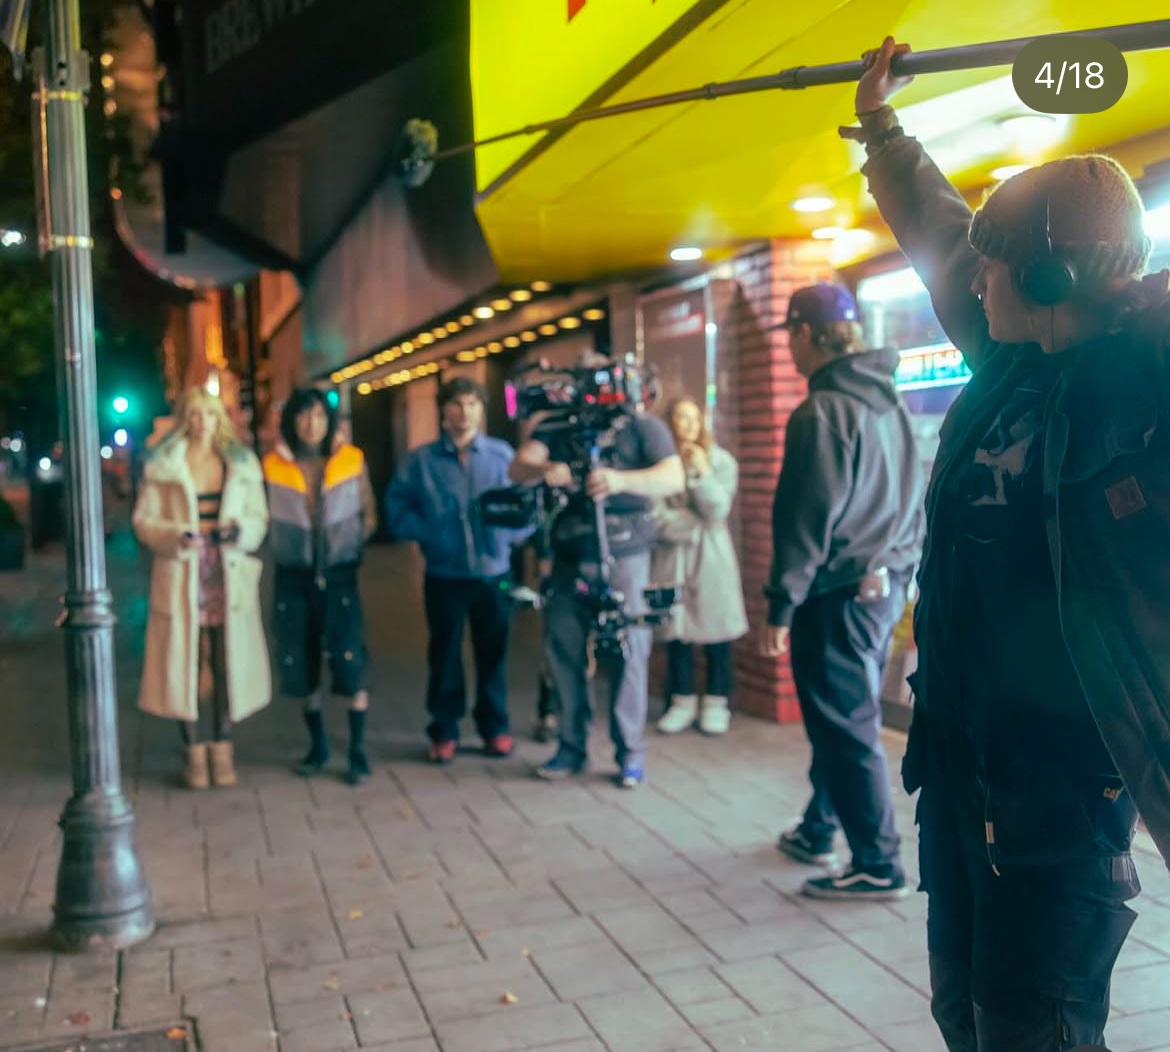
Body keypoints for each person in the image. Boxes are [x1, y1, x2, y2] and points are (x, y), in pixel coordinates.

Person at [844, 36, 1170, 1052]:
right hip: (957, 766)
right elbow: (940, 229)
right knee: (967, 1017)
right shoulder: (1002, 362)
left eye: (996, 265)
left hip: (1067, 788)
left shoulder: (1143, 398)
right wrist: (887, 132)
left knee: (1039, 1031)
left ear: (1049, 269)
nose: (972, 280)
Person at [759, 282, 925, 899]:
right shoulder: (889, 403)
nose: (790, 352)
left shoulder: (822, 411)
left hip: (836, 590)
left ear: (804, 334)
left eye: (790, 338)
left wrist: (781, 602)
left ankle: (877, 863)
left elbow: (804, 518)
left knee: (845, 722)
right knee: (843, 714)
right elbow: (914, 499)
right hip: (881, 584)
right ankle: (818, 826)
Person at [509, 351, 686, 788]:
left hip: (627, 556)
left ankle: (630, 753)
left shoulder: (642, 426)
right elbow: (519, 464)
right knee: (564, 651)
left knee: (630, 652)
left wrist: (621, 480)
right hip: (569, 557)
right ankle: (571, 746)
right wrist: (547, 468)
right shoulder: (557, 426)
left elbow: (673, 477)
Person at [133, 387, 271, 789]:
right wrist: (177, 536)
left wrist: (239, 532)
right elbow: (144, 522)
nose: (200, 422)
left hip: (226, 574)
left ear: (218, 419)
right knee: (184, 661)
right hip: (183, 572)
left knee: (227, 659)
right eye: (192, 414)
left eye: (207, 415)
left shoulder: (240, 464)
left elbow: (258, 518)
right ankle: (193, 751)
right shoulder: (164, 466)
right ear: (183, 419)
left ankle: (223, 746)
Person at [385, 377, 524, 763]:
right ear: (443, 412)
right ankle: (444, 729)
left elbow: (526, 505)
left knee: (492, 653)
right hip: (445, 575)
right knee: (445, 653)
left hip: (493, 572)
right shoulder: (422, 461)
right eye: (456, 405)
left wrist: (511, 538)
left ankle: (494, 726)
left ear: (482, 410)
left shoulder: (501, 456)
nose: (464, 413)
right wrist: (428, 535)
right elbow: (397, 508)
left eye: (472, 404)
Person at [264, 388, 378, 786]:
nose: (310, 424)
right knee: (301, 659)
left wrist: (348, 543)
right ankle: (318, 746)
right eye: (302, 416)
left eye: (317, 416)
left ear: (329, 421)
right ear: (291, 421)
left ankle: (359, 751)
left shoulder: (351, 461)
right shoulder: (273, 466)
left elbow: (368, 513)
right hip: (293, 577)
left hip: (340, 574)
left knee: (350, 658)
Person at [652, 396, 748, 735]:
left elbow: (718, 509)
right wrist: (695, 521)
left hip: (712, 558)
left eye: (693, 418)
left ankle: (716, 701)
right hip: (674, 557)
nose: (687, 425)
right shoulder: (660, 463)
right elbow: (656, 518)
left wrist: (702, 474)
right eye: (680, 418)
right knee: (677, 633)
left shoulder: (721, 462)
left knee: (716, 632)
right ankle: (681, 700)